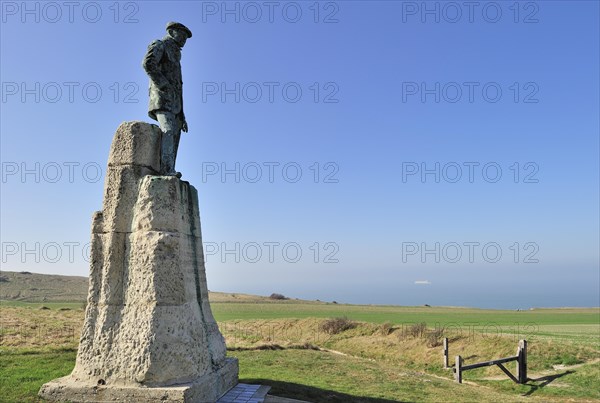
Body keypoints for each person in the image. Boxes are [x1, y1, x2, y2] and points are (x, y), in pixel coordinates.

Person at [143, 21, 192, 177]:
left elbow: (178, 86)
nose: (184, 38)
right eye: (182, 34)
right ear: (171, 32)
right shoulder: (160, 44)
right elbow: (148, 64)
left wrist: (182, 115)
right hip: (162, 99)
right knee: (168, 130)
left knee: (175, 135)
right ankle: (166, 170)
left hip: (175, 106)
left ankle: (169, 168)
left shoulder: (176, 53)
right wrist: (163, 85)